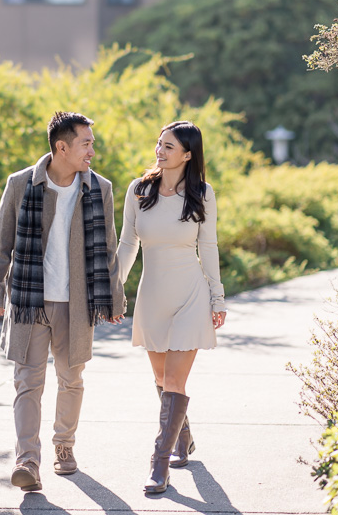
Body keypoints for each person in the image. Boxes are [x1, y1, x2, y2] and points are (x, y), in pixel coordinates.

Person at [0, 111, 125, 493]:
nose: (92, 150)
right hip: (29, 299)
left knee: (71, 378)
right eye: (86, 143)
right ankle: (27, 460)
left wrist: (114, 297)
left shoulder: (100, 188)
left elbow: (108, 250)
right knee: (27, 383)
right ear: (62, 147)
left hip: (76, 302)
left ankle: (64, 445)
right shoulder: (20, 184)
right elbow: (0, 245)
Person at [116, 120, 227, 494]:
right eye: (159, 144)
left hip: (191, 294)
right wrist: (114, 287)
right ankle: (183, 436)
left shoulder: (202, 192)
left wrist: (217, 296)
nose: (159, 151)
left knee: (176, 380)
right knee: (163, 380)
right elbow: (127, 244)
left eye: (168, 146)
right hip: (152, 296)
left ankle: (158, 465)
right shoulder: (139, 190)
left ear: (188, 154)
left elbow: (208, 246)